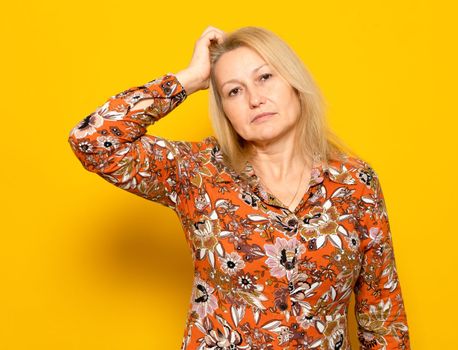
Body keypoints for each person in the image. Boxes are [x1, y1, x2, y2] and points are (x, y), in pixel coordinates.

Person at [68, 25, 410, 350]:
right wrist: (189, 80)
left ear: (293, 81)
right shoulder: (199, 172)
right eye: (234, 90)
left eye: (264, 77)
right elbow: (93, 141)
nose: (254, 99)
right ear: (224, 109)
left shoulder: (354, 182)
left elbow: (383, 318)